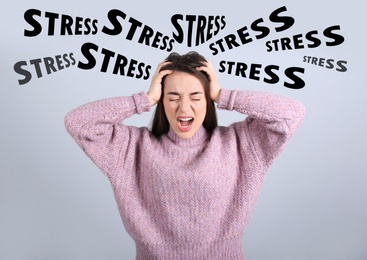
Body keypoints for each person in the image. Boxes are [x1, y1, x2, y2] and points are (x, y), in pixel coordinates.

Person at [64, 51, 305, 259]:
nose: (184, 108)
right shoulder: (132, 148)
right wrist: (144, 100)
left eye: (195, 96)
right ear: (162, 101)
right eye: (173, 97)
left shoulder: (241, 143)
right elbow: (78, 122)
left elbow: (292, 113)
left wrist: (224, 96)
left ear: (208, 100)